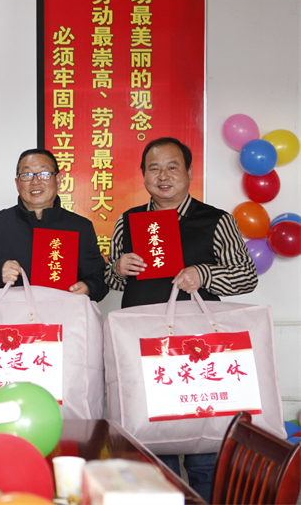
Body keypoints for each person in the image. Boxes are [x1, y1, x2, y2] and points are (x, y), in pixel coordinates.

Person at [104, 136, 257, 502]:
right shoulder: (128, 222)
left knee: (204, 448)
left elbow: (246, 276)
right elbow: (111, 280)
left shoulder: (217, 220)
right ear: (143, 175)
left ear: (189, 172)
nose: (163, 176)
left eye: (172, 167)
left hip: (198, 352)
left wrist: (205, 274)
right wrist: (118, 268)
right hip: (144, 348)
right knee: (154, 449)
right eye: (154, 168)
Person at [0, 148, 108, 302]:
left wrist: (88, 287)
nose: (35, 182)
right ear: (17, 183)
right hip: (9, 314)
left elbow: (100, 279)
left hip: (62, 313)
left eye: (44, 174)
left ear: (58, 180)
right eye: (26, 175)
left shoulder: (80, 227)